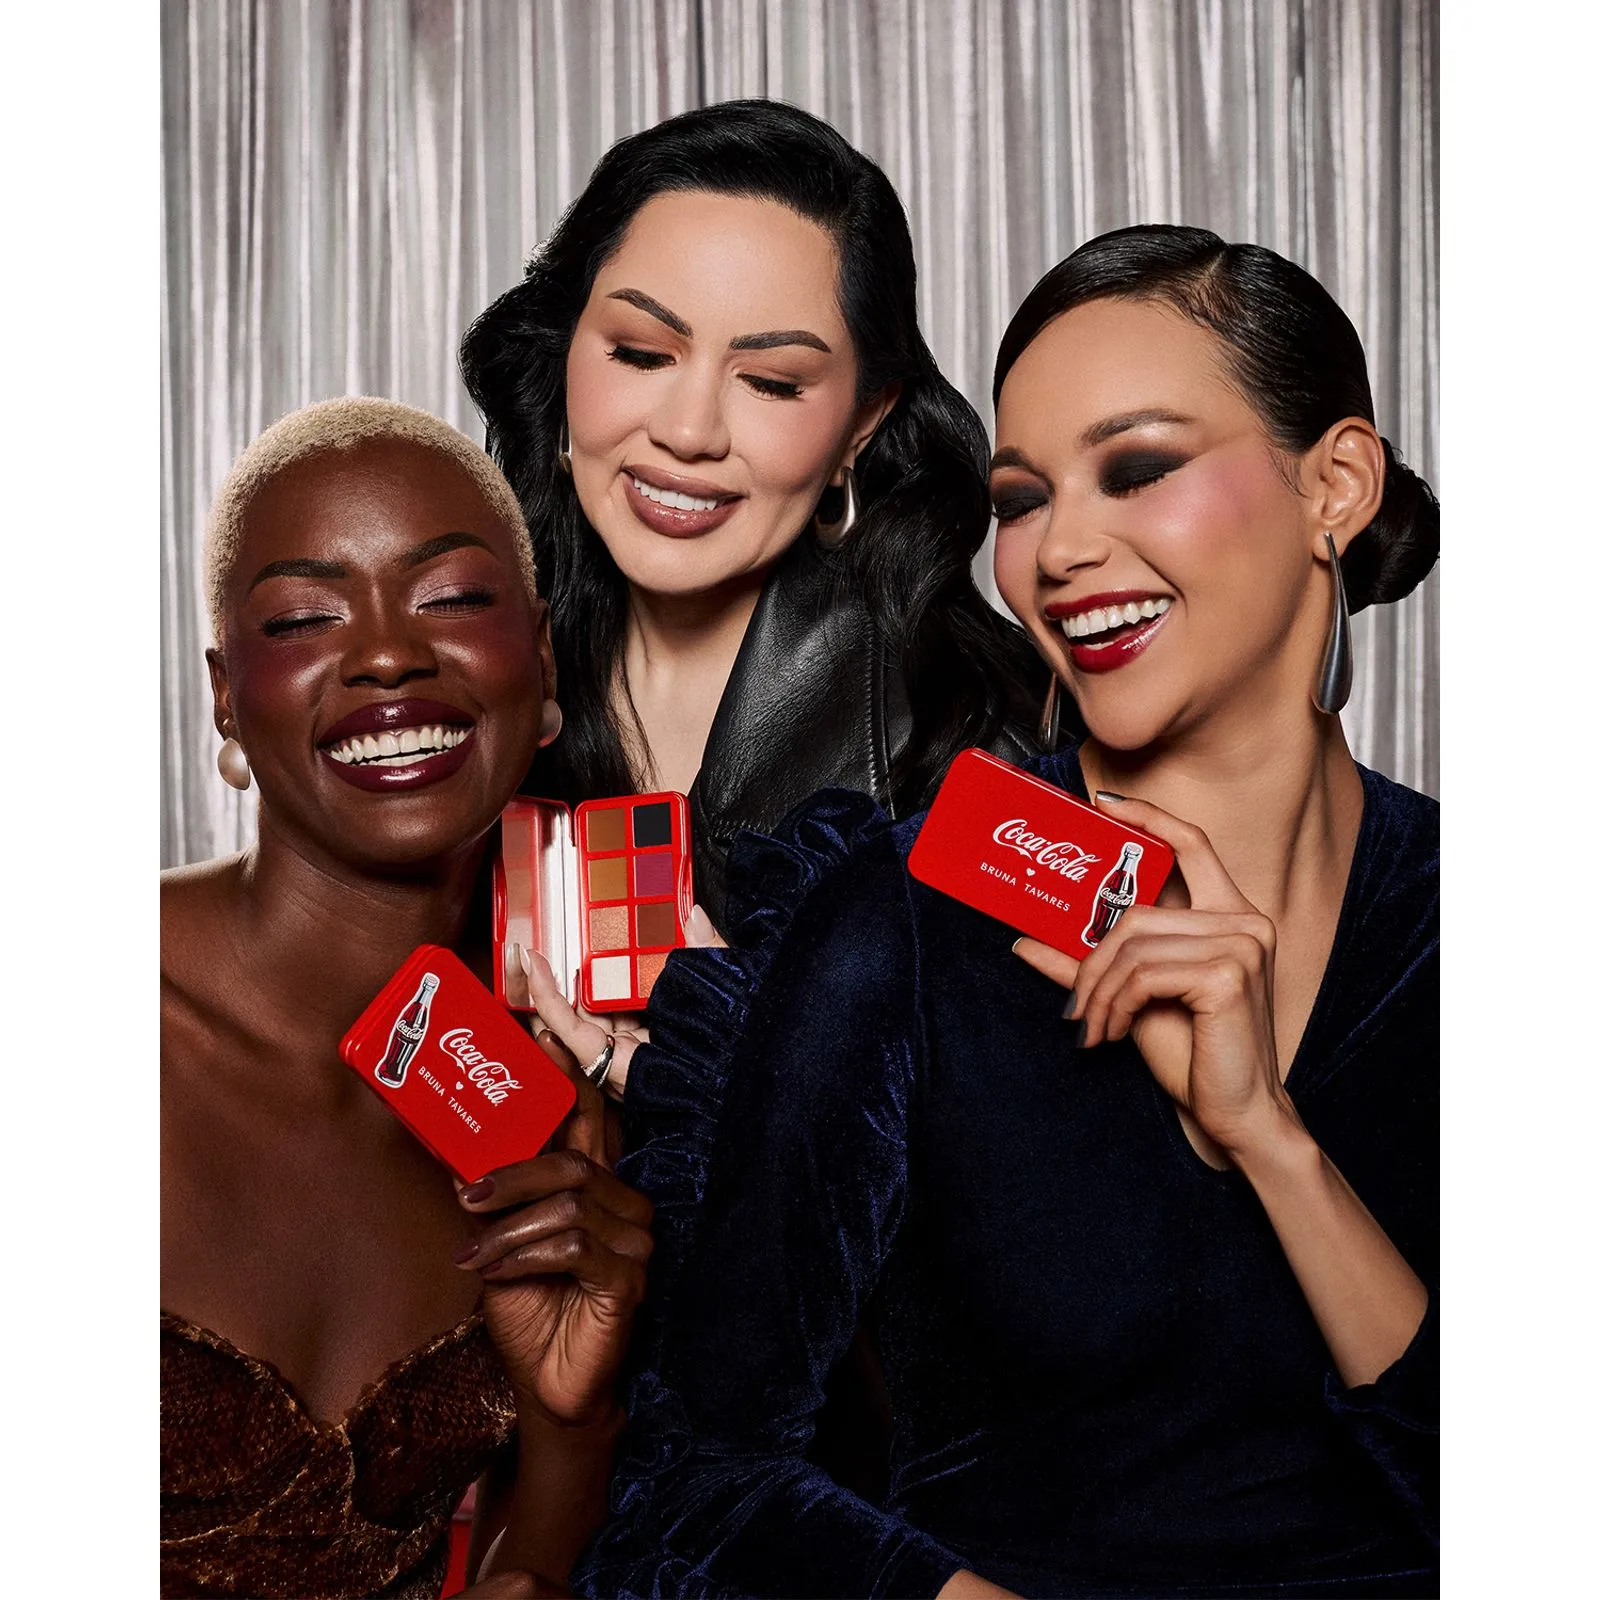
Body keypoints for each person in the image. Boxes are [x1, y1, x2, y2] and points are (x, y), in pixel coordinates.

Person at [563, 226, 1440, 1598]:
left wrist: (1272, 1143)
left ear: (1335, 484)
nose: (1060, 551)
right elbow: (702, 1481)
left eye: (1136, 469)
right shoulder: (906, 923)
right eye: (1022, 500)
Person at [161, 398, 661, 1599]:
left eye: (451, 598)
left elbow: (525, 1577)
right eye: (303, 617)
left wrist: (570, 1418)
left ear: (542, 661)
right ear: (227, 695)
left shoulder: (567, 1097)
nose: (387, 654)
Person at [459, 99, 1044, 936]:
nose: (689, 432)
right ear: (563, 353)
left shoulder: (981, 744)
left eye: (771, 382)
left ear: (863, 422)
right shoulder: (459, 675)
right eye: (641, 353)